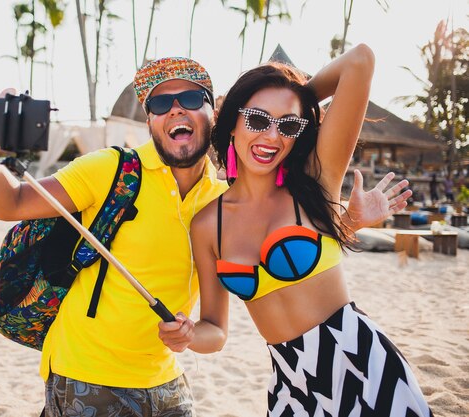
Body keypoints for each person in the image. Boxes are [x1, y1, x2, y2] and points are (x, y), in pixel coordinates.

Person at [0, 48, 412, 416]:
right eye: (161, 101)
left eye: (190, 99)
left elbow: (359, 63)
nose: (176, 109)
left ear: (211, 113)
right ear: (151, 118)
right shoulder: (122, 175)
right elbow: (9, 202)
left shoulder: (232, 197)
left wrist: (280, 99)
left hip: (189, 380)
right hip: (89, 374)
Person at [158, 45, 432, 416]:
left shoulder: (317, 183)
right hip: (289, 382)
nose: (272, 136)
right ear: (233, 123)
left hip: (361, 365)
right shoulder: (207, 223)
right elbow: (215, 331)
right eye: (256, 120)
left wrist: (298, 97)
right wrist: (188, 336)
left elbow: (360, 61)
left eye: (287, 124)